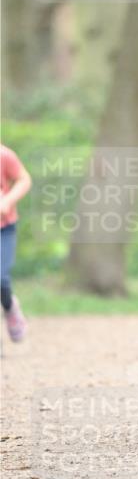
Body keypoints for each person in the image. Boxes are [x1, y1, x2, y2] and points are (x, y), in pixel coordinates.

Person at [1, 145, 31, 342]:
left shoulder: (3, 155)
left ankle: (10, 306)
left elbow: (24, 179)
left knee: (0, 278)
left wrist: (8, 200)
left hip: (4, 227)